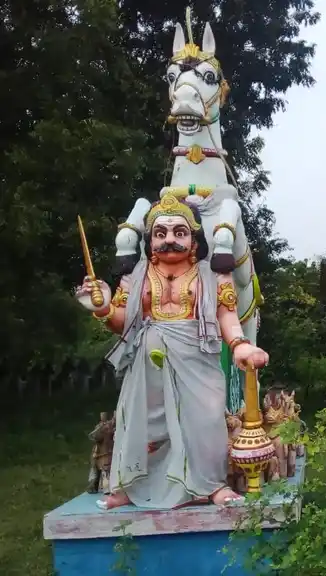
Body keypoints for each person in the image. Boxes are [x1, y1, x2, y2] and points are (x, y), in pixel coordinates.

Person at [74, 195, 268, 510]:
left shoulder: (214, 275)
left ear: (194, 240)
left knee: (205, 421)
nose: (170, 240)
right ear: (149, 241)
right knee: (140, 423)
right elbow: (121, 322)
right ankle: (131, 488)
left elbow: (227, 315)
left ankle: (211, 485)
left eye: (179, 232)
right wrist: (102, 307)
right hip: (146, 366)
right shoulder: (134, 276)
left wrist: (240, 344)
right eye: (161, 233)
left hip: (198, 361)